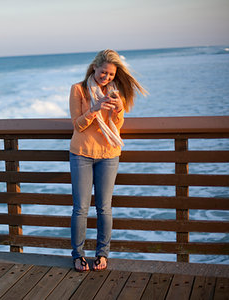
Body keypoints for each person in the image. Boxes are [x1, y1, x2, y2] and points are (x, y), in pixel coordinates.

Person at [69, 49, 147, 272]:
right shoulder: (78, 89)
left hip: (109, 154)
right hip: (82, 153)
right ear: (95, 67)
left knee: (104, 208)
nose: (107, 77)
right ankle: (78, 256)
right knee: (81, 208)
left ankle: (102, 254)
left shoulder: (115, 92)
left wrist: (119, 109)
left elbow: (117, 126)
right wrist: (94, 109)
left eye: (111, 74)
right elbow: (78, 125)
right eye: (104, 72)